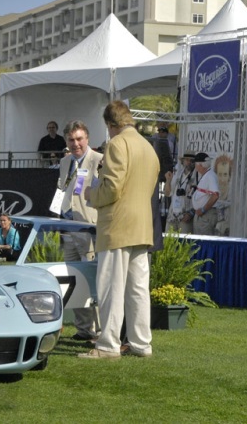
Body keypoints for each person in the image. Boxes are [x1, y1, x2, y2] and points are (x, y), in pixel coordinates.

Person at [81, 101, 159, 359]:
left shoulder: (116, 144)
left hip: (117, 224)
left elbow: (112, 188)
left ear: (111, 125)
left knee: (111, 287)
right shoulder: (148, 147)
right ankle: (140, 343)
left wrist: (92, 194)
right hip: (142, 225)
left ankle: (108, 344)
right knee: (138, 288)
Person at [56, 119, 102, 342]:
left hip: (89, 230)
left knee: (93, 280)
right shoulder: (65, 163)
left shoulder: (98, 161)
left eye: (79, 139)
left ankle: (100, 329)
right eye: (71, 140)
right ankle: (84, 328)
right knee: (74, 279)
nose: (76, 144)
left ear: (88, 139)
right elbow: (62, 191)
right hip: (67, 230)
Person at [164, 151, 197, 233]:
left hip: (186, 217)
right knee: (168, 242)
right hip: (172, 215)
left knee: (184, 243)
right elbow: (167, 193)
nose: (188, 163)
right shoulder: (178, 174)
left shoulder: (197, 176)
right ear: (183, 161)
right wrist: (168, 180)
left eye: (191, 161)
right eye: (187, 160)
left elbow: (201, 199)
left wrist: (191, 213)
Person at [191, 153, 220, 236]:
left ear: (201, 165)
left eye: (196, 164)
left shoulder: (210, 176)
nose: (195, 167)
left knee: (204, 240)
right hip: (202, 215)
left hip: (206, 215)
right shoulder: (206, 175)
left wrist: (203, 209)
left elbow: (215, 195)